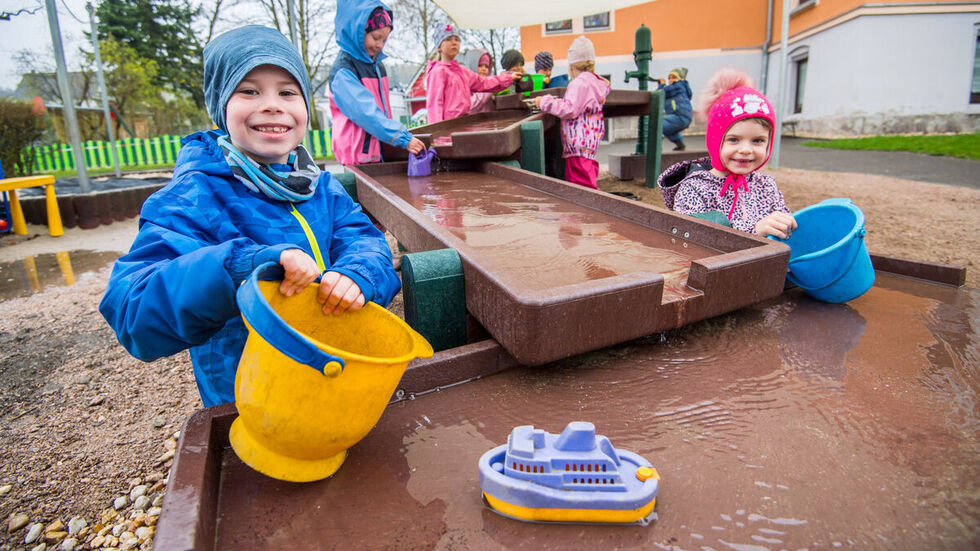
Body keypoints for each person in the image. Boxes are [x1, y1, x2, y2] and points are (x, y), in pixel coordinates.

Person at [99, 26, 401, 408]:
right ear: (221, 106)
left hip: (331, 376)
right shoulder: (193, 197)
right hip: (249, 396)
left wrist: (359, 274)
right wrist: (240, 267)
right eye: (250, 90)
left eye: (288, 92)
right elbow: (133, 312)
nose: (273, 104)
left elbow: (363, 240)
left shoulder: (322, 187)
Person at [657, 68, 797, 238]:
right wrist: (753, 231)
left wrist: (786, 223)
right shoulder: (695, 188)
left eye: (758, 140)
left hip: (764, 264)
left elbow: (783, 224)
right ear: (715, 142)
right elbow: (691, 239)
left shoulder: (766, 185)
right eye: (734, 139)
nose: (746, 150)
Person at [329, 1, 424, 164]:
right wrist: (402, 137)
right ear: (357, 32)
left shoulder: (377, 67)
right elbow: (366, 113)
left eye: (384, 40)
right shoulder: (344, 71)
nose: (380, 45)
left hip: (376, 151)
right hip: (356, 156)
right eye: (376, 37)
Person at [532, 36, 610, 190]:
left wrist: (544, 102)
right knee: (586, 183)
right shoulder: (596, 83)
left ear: (571, 67)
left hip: (578, 144)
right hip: (588, 144)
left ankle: (585, 213)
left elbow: (569, 109)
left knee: (579, 189)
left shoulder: (579, 83)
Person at [426, 25, 519, 123]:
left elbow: (484, 82)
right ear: (439, 47)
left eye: (457, 39)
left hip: (464, 122)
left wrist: (508, 78)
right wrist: (437, 134)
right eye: (448, 39)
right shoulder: (438, 72)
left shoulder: (462, 71)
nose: (454, 42)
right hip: (448, 127)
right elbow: (434, 106)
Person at [657, 67, 693, 151]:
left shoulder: (678, 86)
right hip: (684, 117)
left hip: (679, 115)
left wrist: (662, 84)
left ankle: (655, 148)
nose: (671, 80)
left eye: (674, 77)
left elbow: (661, 92)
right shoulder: (679, 88)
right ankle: (680, 145)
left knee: (657, 123)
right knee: (669, 130)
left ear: (680, 79)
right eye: (669, 78)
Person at [469, 50, 495, 114]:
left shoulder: (491, 82)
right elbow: (470, 106)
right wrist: (488, 90)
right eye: (480, 65)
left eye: (486, 66)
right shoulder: (467, 83)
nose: (484, 69)